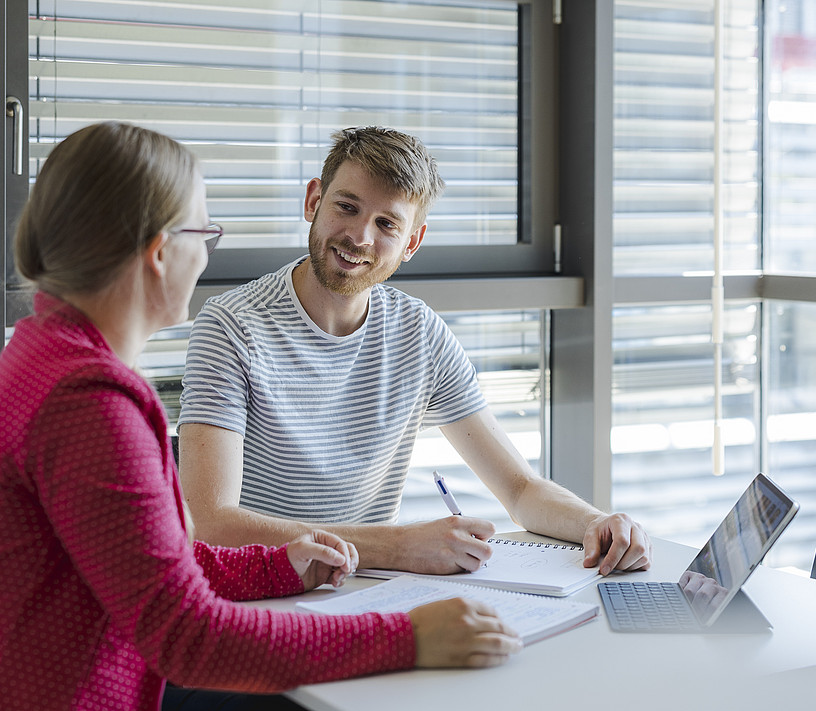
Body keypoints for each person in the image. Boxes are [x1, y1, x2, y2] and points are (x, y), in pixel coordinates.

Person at [0, 122, 522, 711]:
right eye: (203, 232)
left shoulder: (37, 353)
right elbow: (187, 637)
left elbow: (147, 555)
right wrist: (411, 636)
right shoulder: (91, 403)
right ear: (160, 253)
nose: (204, 255)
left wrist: (277, 567)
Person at [177, 125, 653, 576]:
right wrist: (398, 547)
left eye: (386, 223)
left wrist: (596, 523)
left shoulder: (419, 332)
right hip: (263, 590)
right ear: (313, 201)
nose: (360, 237)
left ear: (412, 242)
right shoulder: (233, 325)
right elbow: (210, 523)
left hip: (370, 587)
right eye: (346, 207)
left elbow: (521, 489)